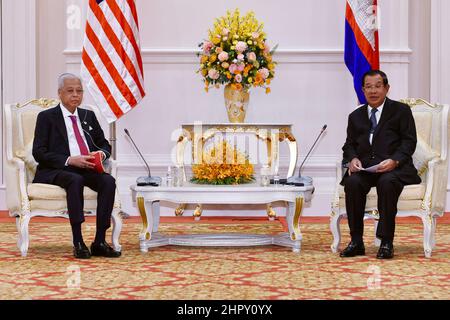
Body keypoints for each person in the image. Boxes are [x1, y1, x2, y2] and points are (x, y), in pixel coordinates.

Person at [32, 73, 121, 259]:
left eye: (79, 91)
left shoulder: (88, 115)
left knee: (108, 181)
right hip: (57, 169)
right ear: (60, 93)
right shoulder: (46, 117)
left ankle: (99, 242)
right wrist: (69, 160)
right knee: (75, 179)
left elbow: (104, 144)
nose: (75, 95)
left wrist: (100, 154)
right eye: (70, 91)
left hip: (86, 166)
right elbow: (39, 152)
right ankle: (78, 241)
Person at [340, 70, 421, 259]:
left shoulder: (401, 111)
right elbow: (349, 145)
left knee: (387, 182)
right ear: (363, 90)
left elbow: (409, 141)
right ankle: (356, 241)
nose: (373, 91)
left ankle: (386, 242)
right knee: (352, 183)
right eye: (368, 87)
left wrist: (395, 160)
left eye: (378, 86)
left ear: (387, 88)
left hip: (394, 168)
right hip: (367, 169)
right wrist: (352, 159)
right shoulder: (355, 116)